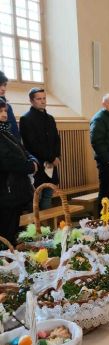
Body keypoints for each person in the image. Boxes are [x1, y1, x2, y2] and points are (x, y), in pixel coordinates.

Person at [0, 100, 38, 244]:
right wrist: (30, 166)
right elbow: (8, 161)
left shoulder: (5, 131)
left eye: (5, 111)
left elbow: (21, 150)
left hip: (13, 190)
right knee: (6, 230)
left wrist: (32, 160)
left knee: (12, 228)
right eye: (0, 112)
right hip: (5, 191)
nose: (4, 115)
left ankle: (11, 258)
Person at [20, 88, 61, 210]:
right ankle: (39, 227)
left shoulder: (50, 118)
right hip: (38, 164)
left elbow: (56, 139)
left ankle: (46, 227)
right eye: (39, 99)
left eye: (44, 98)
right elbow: (32, 144)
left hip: (52, 163)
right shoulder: (26, 119)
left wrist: (57, 156)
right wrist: (51, 157)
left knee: (48, 195)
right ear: (31, 101)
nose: (42, 101)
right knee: (37, 196)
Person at [0, 70, 20, 139]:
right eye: (0, 85)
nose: (3, 88)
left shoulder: (8, 107)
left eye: (4, 85)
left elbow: (14, 130)